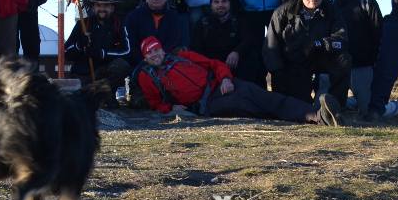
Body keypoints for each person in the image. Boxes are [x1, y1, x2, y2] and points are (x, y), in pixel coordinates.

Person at [135, 37, 342, 125]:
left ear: (162, 48)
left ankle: (317, 114)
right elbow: (155, 103)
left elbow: (215, 64)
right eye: (149, 53)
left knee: (262, 96)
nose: (154, 55)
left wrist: (225, 78)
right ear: (145, 58)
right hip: (208, 103)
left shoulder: (182, 56)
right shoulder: (148, 76)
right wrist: (172, 108)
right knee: (251, 107)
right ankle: (315, 116)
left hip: (221, 85)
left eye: (156, 49)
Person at [264, 0, 350, 105]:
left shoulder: (332, 11)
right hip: (294, 63)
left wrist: (320, 43)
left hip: (322, 59)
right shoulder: (282, 13)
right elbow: (271, 46)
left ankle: (334, 104)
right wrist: (278, 73)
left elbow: (342, 40)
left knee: (344, 59)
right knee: (299, 105)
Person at [331, 0, 382, 116]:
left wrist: (374, 61)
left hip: (362, 65)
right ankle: (348, 104)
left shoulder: (367, 2)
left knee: (370, 112)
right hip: (337, 66)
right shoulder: (329, 6)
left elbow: (379, 34)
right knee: (332, 106)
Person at [64, 0, 131, 93]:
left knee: (122, 65)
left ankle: (107, 96)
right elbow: (65, 53)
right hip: (83, 73)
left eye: (106, 6)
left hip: (105, 74)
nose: (102, 9)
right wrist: (79, 45)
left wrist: (102, 53)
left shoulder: (118, 25)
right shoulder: (82, 24)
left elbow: (127, 51)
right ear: (93, 7)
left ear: (112, 8)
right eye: (99, 5)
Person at [123, 0, 190, 68]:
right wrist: (144, 60)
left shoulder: (174, 17)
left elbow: (176, 40)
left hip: (168, 61)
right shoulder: (133, 17)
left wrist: (161, 58)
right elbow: (131, 44)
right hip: (142, 62)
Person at [191, 0, 250, 73]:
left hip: (235, 70)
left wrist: (237, 52)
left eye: (224, 1)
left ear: (230, 3)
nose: (220, 5)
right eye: (216, 2)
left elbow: (248, 40)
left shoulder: (239, 22)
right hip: (211, 71)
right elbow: (196, 50)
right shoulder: (202, 24)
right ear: (211, 5)